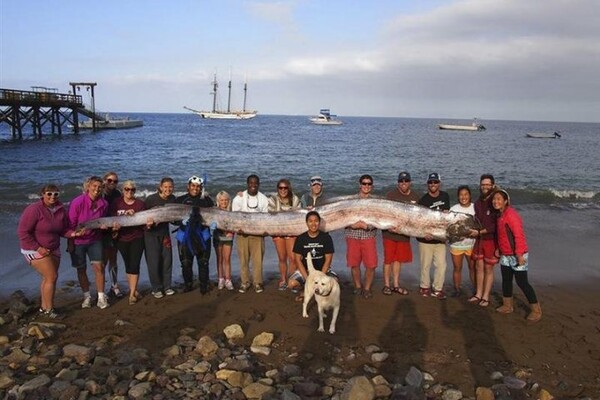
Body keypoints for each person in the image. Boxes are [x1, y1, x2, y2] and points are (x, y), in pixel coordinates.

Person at [17, 184, 80, 319]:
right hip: (33, 249)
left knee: (48, 278)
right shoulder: (34, 209)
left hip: (53, 248)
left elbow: (63, 230)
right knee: (52, 277)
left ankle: (44, 308)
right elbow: (23, 233)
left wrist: (74, 234)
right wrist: (38, 248)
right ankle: (50, 310)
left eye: (55, 194)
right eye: (49, 194)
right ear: (42, 195)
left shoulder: (60, 209)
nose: (52, 197)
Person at [492, 189, 541, 321]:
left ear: (505, 201)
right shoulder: (499, 215)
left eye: (499, 199)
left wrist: (519, 255)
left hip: (518, 254)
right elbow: (501, 236)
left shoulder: (511, 215)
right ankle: (507, 306)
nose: (495, 201)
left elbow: (519, 236)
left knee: (522, 282)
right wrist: (498, 249)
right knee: (506, 281)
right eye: (494, 199)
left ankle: (536, 310)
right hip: (506, 255)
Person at [68, 176, 111, 309]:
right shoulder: (77, 202)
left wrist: (105, 227)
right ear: (88, 187)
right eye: (94, 186)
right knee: (81, 269)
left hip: (95, 239)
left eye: (100, 187)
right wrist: (71, 242)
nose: (97, 189)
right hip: (78, 240)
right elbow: (70, 224)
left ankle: (101, 297)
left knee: (99, 267)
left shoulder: (104, 204)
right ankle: (87, 296)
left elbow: (103, 221)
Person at [381, 171, 420, 296]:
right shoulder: (391, 194)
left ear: (410, 182)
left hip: (404, 234)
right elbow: (384, 213)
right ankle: (387, 285)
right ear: (398, 183)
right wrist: (389, 226)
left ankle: (396, 285)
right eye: (401, 181)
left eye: (406, 181)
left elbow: (419, 217)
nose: (404, 183)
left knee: (398, 260)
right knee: (388, 260)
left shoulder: (416, 196)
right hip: (389, 233)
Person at [175, 175, 214, 294]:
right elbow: (171, 218)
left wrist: (213, 224)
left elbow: (214, 215)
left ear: (201, 188)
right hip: (184, 236)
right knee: (186, 263)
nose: (195, 188)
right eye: (193, 186)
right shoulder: (180, 200)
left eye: (198, 186)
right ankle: (188, 285)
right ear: (188, 186)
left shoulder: (206, 201)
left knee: (203, 262)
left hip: (203, 235)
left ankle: (204, 285)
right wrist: (179, 222)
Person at [231, 174, 269, 293]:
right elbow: (234, 216)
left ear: (258, 184)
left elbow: (266, 217)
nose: (253, 185)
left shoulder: (263, 199)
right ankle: (245, 282)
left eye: (255, 183)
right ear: (247, 184)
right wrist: (238, 228)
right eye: (251, 183)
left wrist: (264, 231)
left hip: (258, 235)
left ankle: (258, 283)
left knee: (257, 260)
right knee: (243, 260)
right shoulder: (239, 198)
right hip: (242, 234)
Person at [110, 180, 146, 305]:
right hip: (121, 238)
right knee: (128, 264)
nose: (129, 191)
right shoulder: (116, 203)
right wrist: (114, 227)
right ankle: (134, 289)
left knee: (135, 264)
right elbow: (112, 218)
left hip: (137, 237)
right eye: (127, 189)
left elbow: (143, 223)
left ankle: (131, 295)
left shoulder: (140, 204)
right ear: (122, 190)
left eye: (132, 189)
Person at [287, 211, 336, 300]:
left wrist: (321, 277)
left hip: (322, 270)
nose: (313, 224)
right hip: (306, 271)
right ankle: (304, 291)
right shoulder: (301, 238)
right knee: (291, 284)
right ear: (306, 223)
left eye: (316, 221)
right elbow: (297, 260)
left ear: (319, 222)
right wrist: (307, 279)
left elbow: (328, 259)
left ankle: (319, 292)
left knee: (335, 282)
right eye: (310, 221)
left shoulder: (326, 238)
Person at [417, 172, 451, 300]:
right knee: (425, 264)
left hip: (440, 238)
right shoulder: (423, 200)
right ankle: (424, 286)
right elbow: (419, 220)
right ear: (427, 184)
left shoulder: (445, 196)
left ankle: (438, 288)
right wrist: (424, 234)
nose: (433, 184)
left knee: (441, 265)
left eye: (435, 182)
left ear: (439, 183)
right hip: (425, 238)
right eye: (430, 182)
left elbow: (445, 217)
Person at [345, 174, 378, 299]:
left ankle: (367, 288)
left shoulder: (376, 201)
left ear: (372, 186)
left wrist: (367, 227)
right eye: (364, 183)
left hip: (368, 236)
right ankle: (358, 286)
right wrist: (351, 225)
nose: (366, 186)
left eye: (369, 184)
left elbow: (379, 218)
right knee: (354, 264)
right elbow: (342, 216)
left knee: (371, 265)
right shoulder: (350, 200)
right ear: (360, 185)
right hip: (352, 235)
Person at [468, 174, 499, 307]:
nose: (485, 186)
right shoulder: (478, 202)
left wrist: (480, 232)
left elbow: (495, 224)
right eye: (483, 184)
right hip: (479, 239)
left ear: (492, 185)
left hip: (491, 239)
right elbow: (477, 221)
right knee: (478, 266)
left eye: (487, 184)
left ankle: (486, 296)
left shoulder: (495, 200)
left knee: (488, 268)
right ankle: (478, 294)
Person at [144, 177, 176, 298]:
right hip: (151, 234)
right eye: (166, 187)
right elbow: (142, 216)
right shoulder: (151, 199)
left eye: (170, 187)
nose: (168, 189)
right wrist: (148, 225)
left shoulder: (173, 199)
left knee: (167, 260)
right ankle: (156, 288)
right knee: (154, 262)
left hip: (165, 233)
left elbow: (174, 218)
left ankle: (167, 286)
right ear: (161, 187)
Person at [268, 178, 301, 290]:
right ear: (277, 189)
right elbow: (270, 216)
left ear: (289, 188)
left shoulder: (295, 199)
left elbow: (299, 216)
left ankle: (291, 279)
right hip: (278, 231)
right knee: (282, 257)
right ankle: (283, 280)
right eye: (280, 188)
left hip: (291, 231)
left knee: (292, 258)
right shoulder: (273, 199)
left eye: (285, 187)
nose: (283, 190)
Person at [449, 185, 476, 297]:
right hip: (456, 244)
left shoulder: (475, 208)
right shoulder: (453, 209)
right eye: (461, 195)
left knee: (473, 268)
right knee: (457, 268)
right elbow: (449, 227)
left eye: (466, 194)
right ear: (458, 196)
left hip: (472, 244)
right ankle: (457, 289)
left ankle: (476, 289)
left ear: (469, 196)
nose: (463, 197)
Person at [102, 171, 124, 299]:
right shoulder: (100, 193)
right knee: (102, 261)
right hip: (101, 230)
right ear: (104, 180)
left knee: (113, 258)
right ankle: (102, 289)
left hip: (114, 228)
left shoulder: (117, 194)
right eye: (109, 180)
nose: (112, 183)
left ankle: (114, 286)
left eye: (115, 181)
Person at [214, 190, 235, 291]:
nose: (224, 202)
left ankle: (228, 279)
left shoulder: (231, 212)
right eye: (221, 200)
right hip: (217, 236)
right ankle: (220, 279)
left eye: (226, 200)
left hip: (228, 236)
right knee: (219, 259)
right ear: (218, 201)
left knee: (227, 259)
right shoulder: (214, 211)